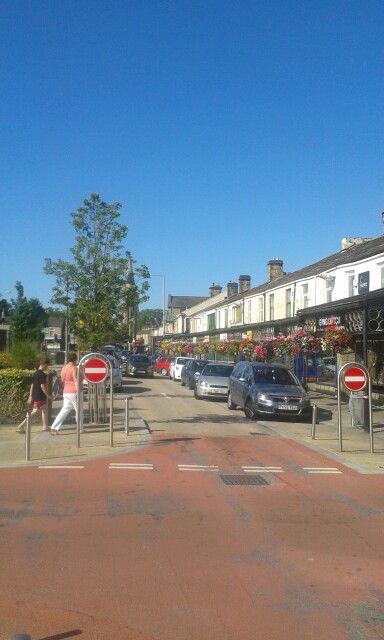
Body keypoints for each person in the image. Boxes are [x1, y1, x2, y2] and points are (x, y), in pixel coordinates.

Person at [16, 357, 52, 433]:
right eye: (47, 365)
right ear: (44, 364)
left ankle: (45, 426)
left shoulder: (35, 373)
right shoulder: (42, 374)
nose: (47, 367)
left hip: (36, 394)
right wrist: (48, 395)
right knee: (34, 411)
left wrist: (30, 396)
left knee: (44, 410)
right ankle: (21, 426)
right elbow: (42, 386)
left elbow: (32, 385)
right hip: (40, 395)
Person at [50, 352, 80, 434]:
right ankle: (80, 428)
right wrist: (78, 390)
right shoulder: (74, 368)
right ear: (75, 359)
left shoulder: (64, 368)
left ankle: (54, 427)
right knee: (79, 410)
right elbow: (75, 380)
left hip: (66, 391)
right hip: (73, 391)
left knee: (65, 409)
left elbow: (62, 380)